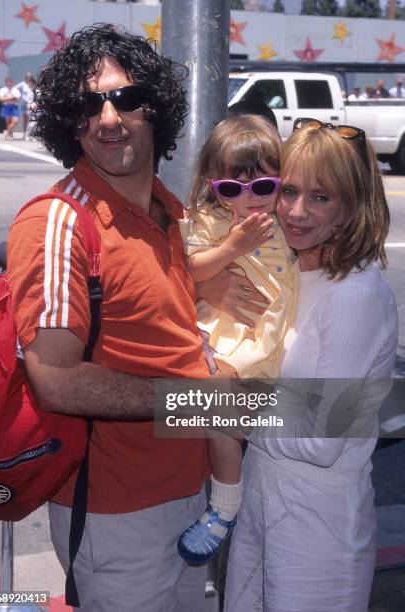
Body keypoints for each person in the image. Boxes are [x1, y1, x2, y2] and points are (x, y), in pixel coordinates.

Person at [6, 24, 210, 612]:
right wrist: (200, 402)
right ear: (68, 124)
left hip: (191, 494)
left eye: (124, 97)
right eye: (85, 105)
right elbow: (56, 377)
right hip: (115, 515)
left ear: (157, 108)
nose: (108, 118)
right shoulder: (60, 221)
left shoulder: (169, 210)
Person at [199, 118, 397, 611]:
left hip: (319, 523)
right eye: (287, 190)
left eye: (321, 197)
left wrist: (197, 406)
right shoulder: (286, 270)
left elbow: (321, 438)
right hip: (262, 498)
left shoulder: (356, 295)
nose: (295, 211)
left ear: (352, 207)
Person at [177, 114, 298, 564]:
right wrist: (231, 247)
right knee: (219, 413)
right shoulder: (209, 222)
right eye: (232, 189)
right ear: (214, 186)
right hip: (225, 343)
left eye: (262, 187)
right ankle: (224, 509)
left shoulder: (287, 218)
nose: (248, 200)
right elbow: (189, 271)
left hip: (275, 348)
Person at [16, 72, 36, 140]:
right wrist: (19, 95)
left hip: (32, 103)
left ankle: (29, 134)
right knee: (25, 119)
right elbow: (15, 88)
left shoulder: (33, 84)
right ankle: (24, 134)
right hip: (24, 102)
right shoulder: (23, 84)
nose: (28, 78)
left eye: (29, 77)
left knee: (30, 119)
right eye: (27, 77)